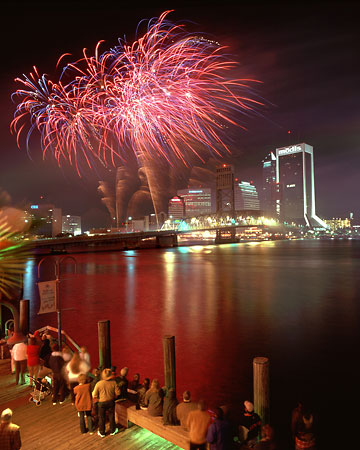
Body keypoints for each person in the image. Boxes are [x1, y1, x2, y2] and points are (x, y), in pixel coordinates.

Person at [92, 368, 119, 437]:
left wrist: (98, 398)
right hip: (111, 401)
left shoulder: (99, 384)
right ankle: (113, 430)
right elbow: (118, 393)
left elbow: (94, 395)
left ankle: (102, 432)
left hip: (101, 403)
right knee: (111, 416)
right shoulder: (114, 382)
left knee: (101, 417)